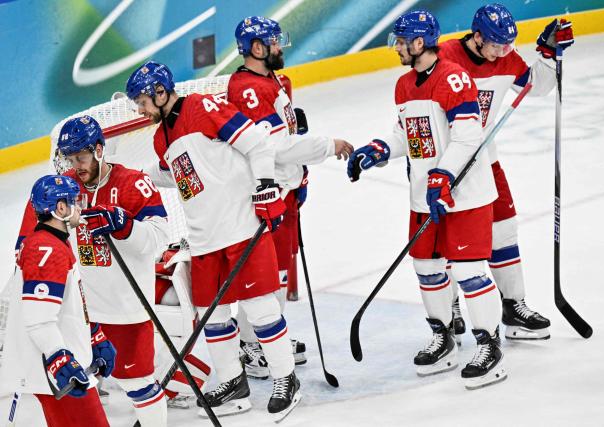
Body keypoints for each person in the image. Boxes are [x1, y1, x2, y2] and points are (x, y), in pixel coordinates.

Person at [126, 60, 301, 421]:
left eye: (142, 102)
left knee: (260, 308)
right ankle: (234, 383)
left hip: (239, 227)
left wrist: (266, 187)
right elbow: (176, 175)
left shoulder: (202, 107)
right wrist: (128, 177)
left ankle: (286, 378)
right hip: (203, 237)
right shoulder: (162, 138)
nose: (140, 111)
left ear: (160, 92)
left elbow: (256, 143)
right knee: (212, 316)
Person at [347, 10, 506, 390]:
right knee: (426, 268)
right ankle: (444, 336)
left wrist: (444, 174)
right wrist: (379, 149)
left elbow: (468, 138)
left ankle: (490, 345)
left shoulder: (453, 78)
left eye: (402, 41)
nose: (397, 48)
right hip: (426, 196)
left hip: (463, 194)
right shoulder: (404, 86)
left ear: (419, 43)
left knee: (468, 271)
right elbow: (409, 135)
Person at [16, 116, 170, 425]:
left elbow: (158, 239)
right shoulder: (61, 191)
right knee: (78, 389)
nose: (75, 165)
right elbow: (26, 246)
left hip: (125, 310)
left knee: (139, 385)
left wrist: (126, 226)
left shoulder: (132, 183)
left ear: (99, 150)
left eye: (81, 157)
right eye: (70, 158)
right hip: (79, 315)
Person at [438, 3, 574, 340]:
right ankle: (448, 306)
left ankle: (513, 306)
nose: (504, 52)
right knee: (444, 238)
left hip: (485, 158)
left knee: (505, 229)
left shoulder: (505, 57)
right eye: (498, 44)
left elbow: (538, 87)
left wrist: (547, 53)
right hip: (444, 163)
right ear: (478, 37)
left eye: (509, 45)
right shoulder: (446, 57)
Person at [227, 15, 354, 379]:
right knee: (268, 276)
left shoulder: (269, 80)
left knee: (278, 273)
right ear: (257, 48)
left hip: (284, 192)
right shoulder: (248, 89)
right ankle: (252, 345)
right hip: (265, 196)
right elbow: (276, 149)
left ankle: (266, 338)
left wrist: (299, 176)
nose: (280, 47)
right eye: (274, 42)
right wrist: (328, 146)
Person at [1, 175, 111, 426]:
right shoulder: (46, 250)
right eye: (73, 201)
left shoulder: (54, 243)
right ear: (60, 208)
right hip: (57, 377)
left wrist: (92, 334)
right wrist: (58, 357)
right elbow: (39, 320)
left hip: (62, 372)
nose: (79, 206)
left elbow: (64, 307)